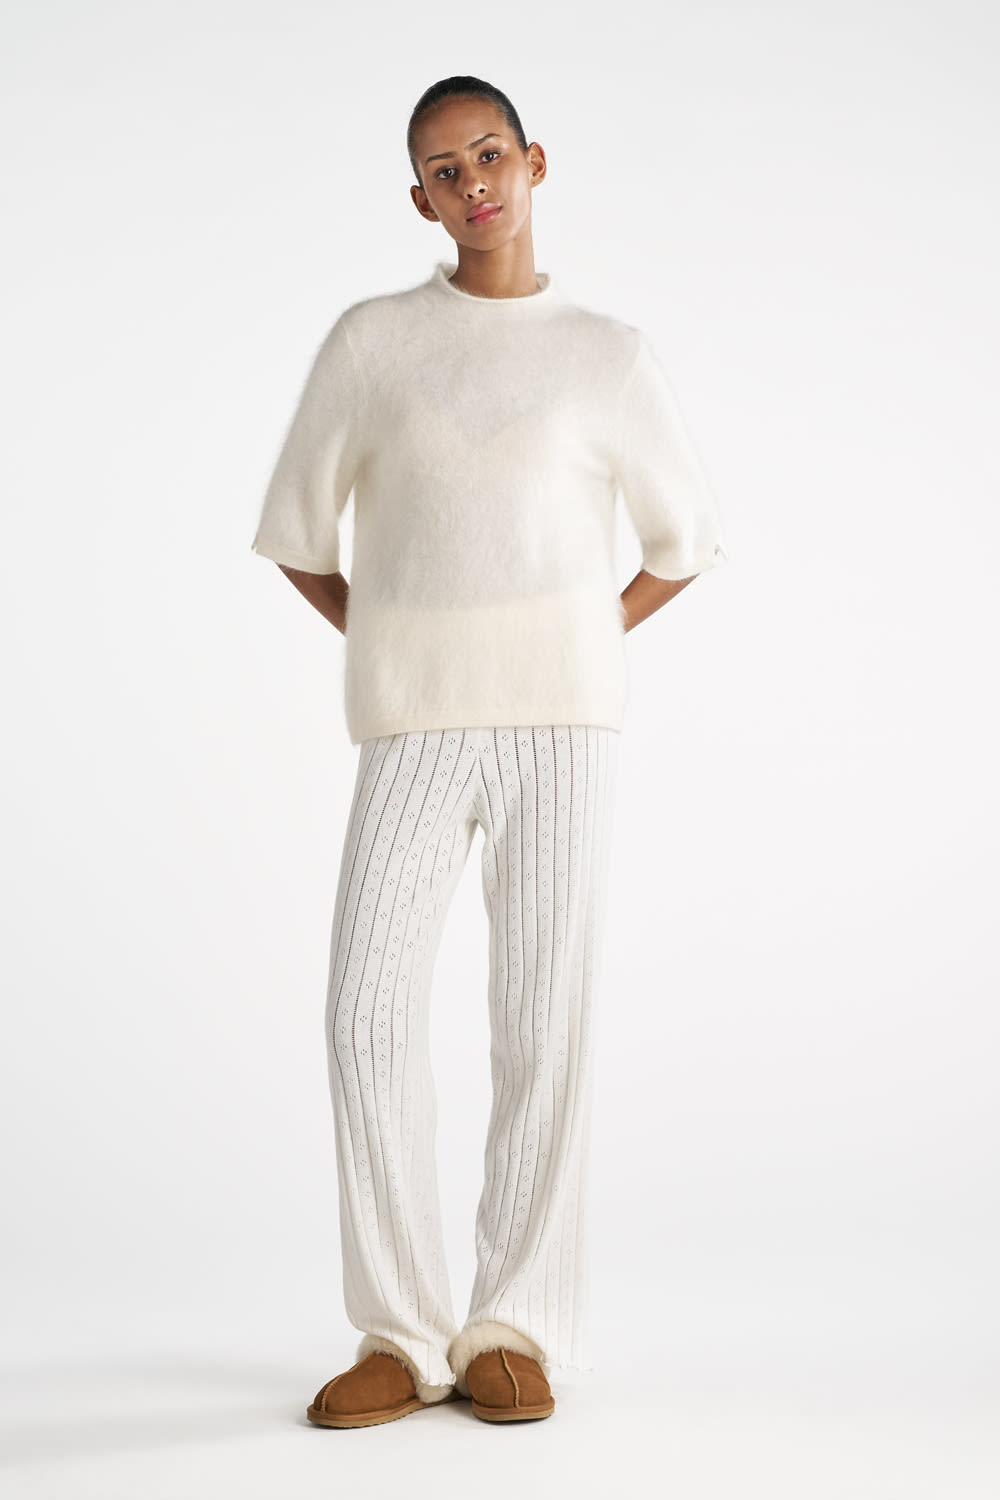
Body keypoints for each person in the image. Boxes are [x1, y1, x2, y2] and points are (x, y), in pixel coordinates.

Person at [250, 74, 729, 1429]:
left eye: (489, 156)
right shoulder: (373, 344)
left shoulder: (607, 354)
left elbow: (685, 540)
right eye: (444, 171)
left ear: (534, 162)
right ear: (420, 200)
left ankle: (514, 1323)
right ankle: (400, 1332)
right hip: (412, 720)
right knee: (365, 1012)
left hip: (562, 724)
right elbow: (298, 534)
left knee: (543, 1019)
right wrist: (397, 635)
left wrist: (578, 634)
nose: (473, 185)